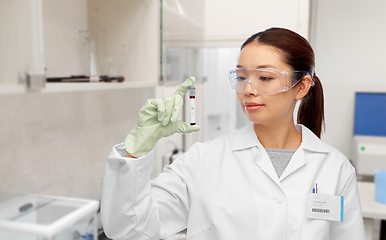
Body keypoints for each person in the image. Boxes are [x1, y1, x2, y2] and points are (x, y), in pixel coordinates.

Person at [100, 27, 365, 240]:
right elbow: (129, 229)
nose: (248, 89)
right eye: (240, 77)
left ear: (301, 86)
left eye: (264, 77)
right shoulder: (203, 161)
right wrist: (137, 150)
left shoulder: (335, 169)